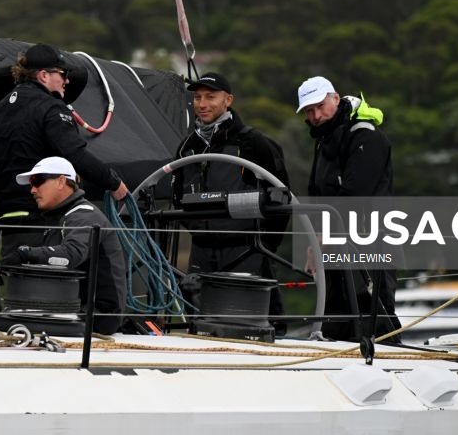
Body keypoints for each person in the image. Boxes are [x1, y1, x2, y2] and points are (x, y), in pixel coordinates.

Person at [0, 43, 128, 256]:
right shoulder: (51, 108)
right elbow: (75, 155)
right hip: (44, 219)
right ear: (43, 76)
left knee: (16, 282)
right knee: (51, 284)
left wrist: (4, 188)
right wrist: (114, 183)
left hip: (9, 218)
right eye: (63, 73)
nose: (67, 80)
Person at [171, 72, 290, 332]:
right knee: (198, 328)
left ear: (228, 100)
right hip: (201, 250)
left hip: (246, 249)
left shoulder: (253, 143)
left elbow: (281, 197)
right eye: (197, 97)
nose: (202, 104)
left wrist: (265, 246)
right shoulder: (186, 148)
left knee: (258, 328)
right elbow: (177, 197)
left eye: (210, 97)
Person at [297, 75, 401, 342]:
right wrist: (314, 242)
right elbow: (316, 195)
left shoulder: (366, 135)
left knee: (374, 320)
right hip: (336, 245)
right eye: (309, 111)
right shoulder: (325, 139)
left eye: (320, 106)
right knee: (335, 320)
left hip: (372, 243)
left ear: (335, 97)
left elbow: (355, 196)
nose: (316, 115)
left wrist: (322, 239)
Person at [2, 157, 126, 335]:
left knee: (5, 326)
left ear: (61, 181)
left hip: (98, 316)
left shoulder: (84, 214)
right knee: (5, 321)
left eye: (38, 181)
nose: (32, 190)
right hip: (70, 311)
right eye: (31, 183)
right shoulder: (61, 218)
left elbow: (71, 255)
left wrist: (26, 254)